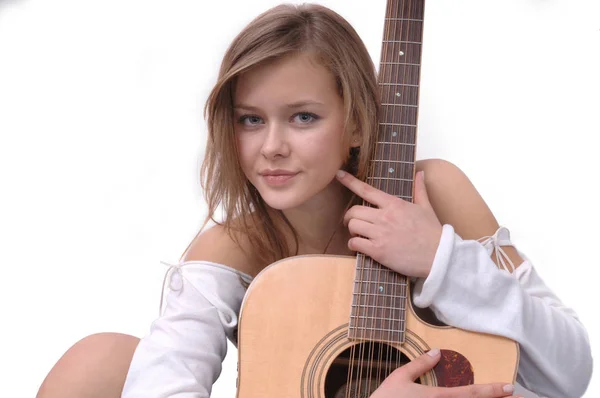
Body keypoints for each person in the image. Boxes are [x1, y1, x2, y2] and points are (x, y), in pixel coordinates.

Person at [36, 3, 593, 398]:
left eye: (303, 117)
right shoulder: (237, 246)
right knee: (101, 362)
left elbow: (568, 375)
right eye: (251, 120)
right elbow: (159, 386)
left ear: (354, 122)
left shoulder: (435, 192)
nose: (272, 147)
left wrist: (442, 260)